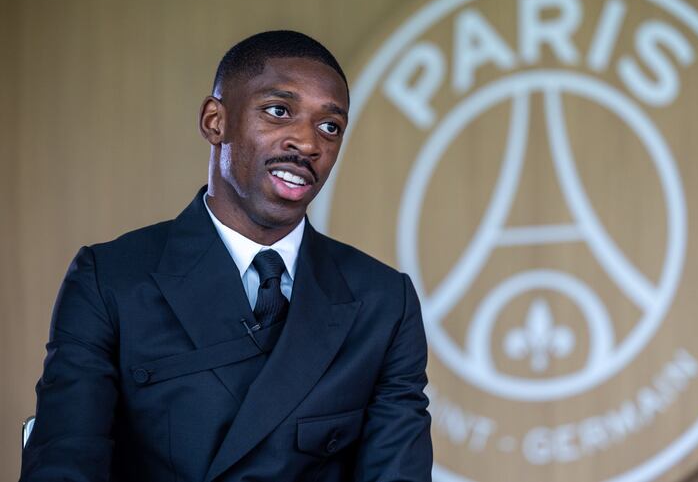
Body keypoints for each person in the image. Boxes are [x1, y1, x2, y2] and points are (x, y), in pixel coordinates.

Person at [20, 30, 432, 482]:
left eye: (329, 126)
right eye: (279, 111)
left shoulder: (384, 301)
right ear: (215, 121)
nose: (308, 143)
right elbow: (65, 463)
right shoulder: (110, 279)